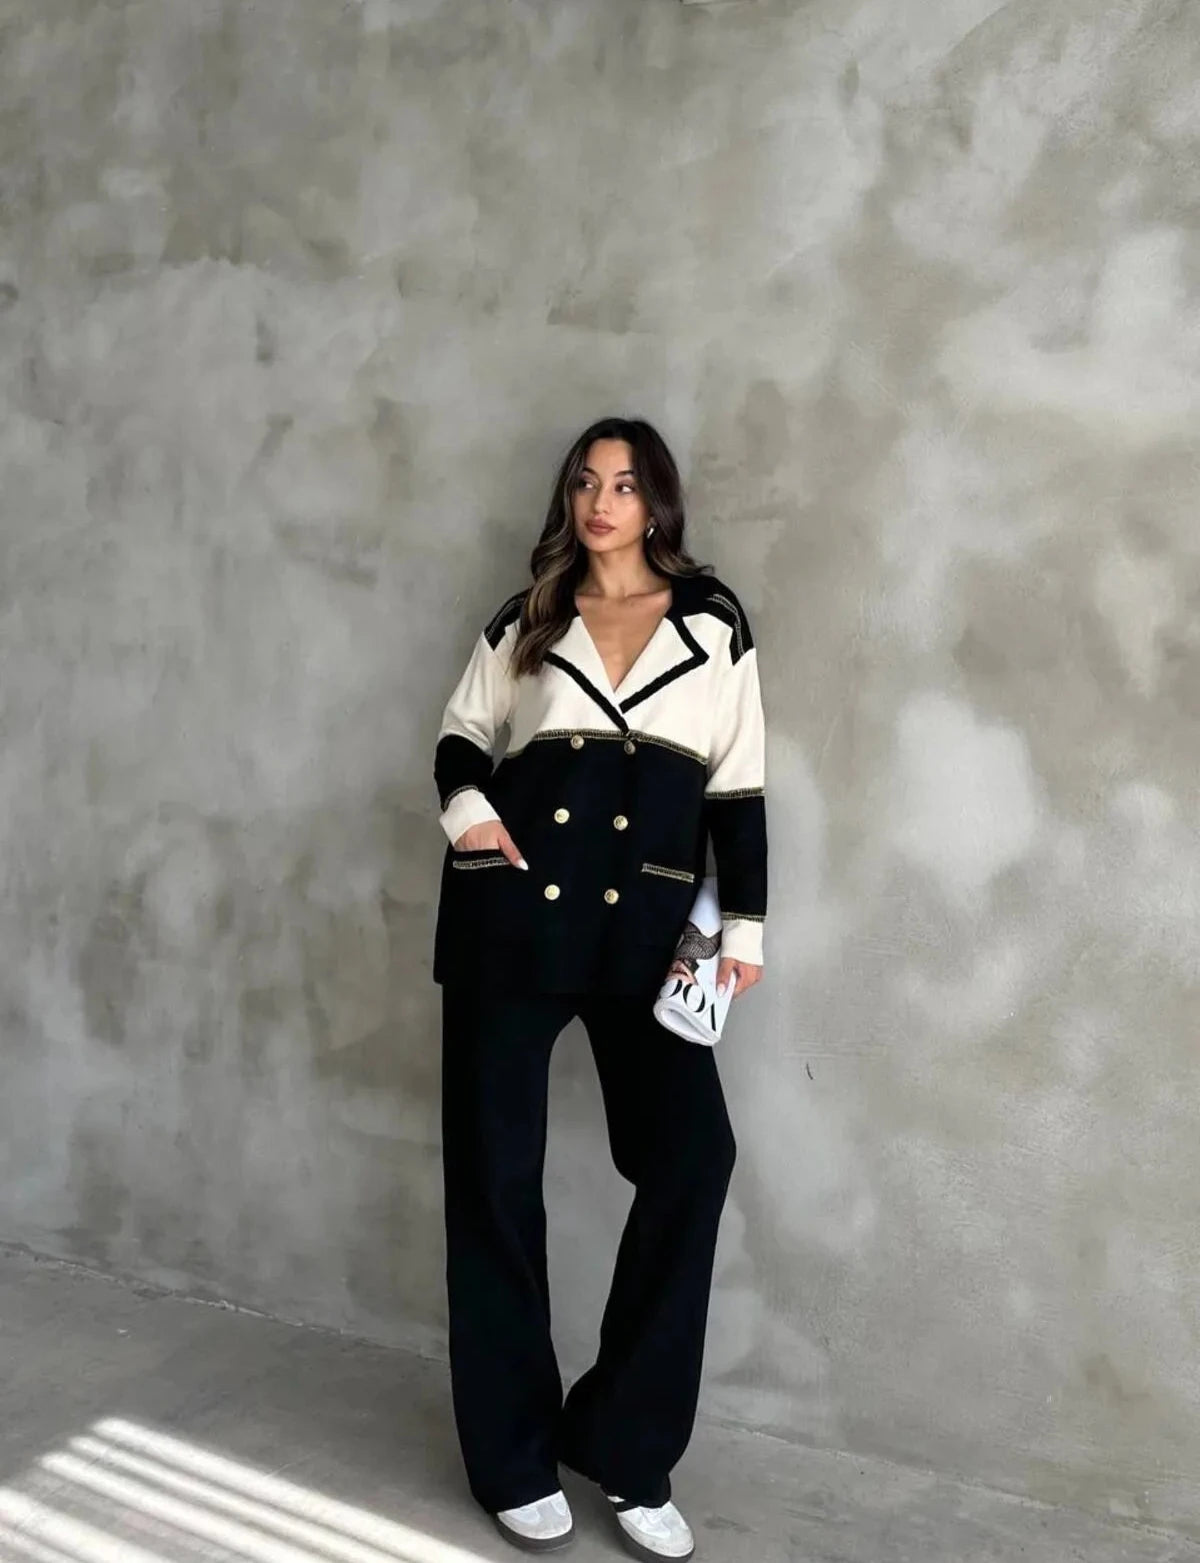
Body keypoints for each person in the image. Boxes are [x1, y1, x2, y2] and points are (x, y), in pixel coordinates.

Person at [431, 417, 768, 1559]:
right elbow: (461, 738)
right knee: (494, 1182)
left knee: (693, 1158)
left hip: (644, 936)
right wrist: (470, 817)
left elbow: (739, 789)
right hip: (510, 923)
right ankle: (511, 1457)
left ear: (657, 502)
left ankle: (623, 1441)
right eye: (586, 481)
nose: (601, 501)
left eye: (624, 484)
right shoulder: (525, 616)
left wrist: (742, 928)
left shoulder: (715, 626)